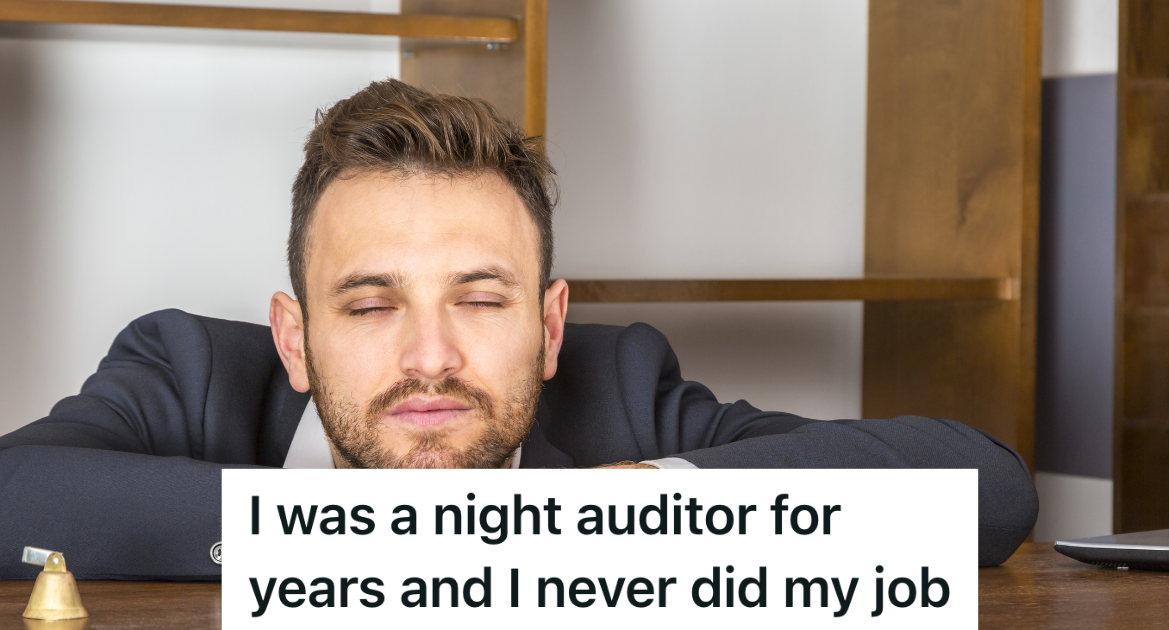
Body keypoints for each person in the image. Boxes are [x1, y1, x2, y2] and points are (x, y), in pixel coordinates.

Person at [0, 80, 1037, 580]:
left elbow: (984, 489)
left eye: (481, 298)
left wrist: (634, 514)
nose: (431, 357)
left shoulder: (618, 388)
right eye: (369, 304)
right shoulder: (184, 371)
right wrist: (388, 543)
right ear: (292, 339)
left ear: (549, 328)